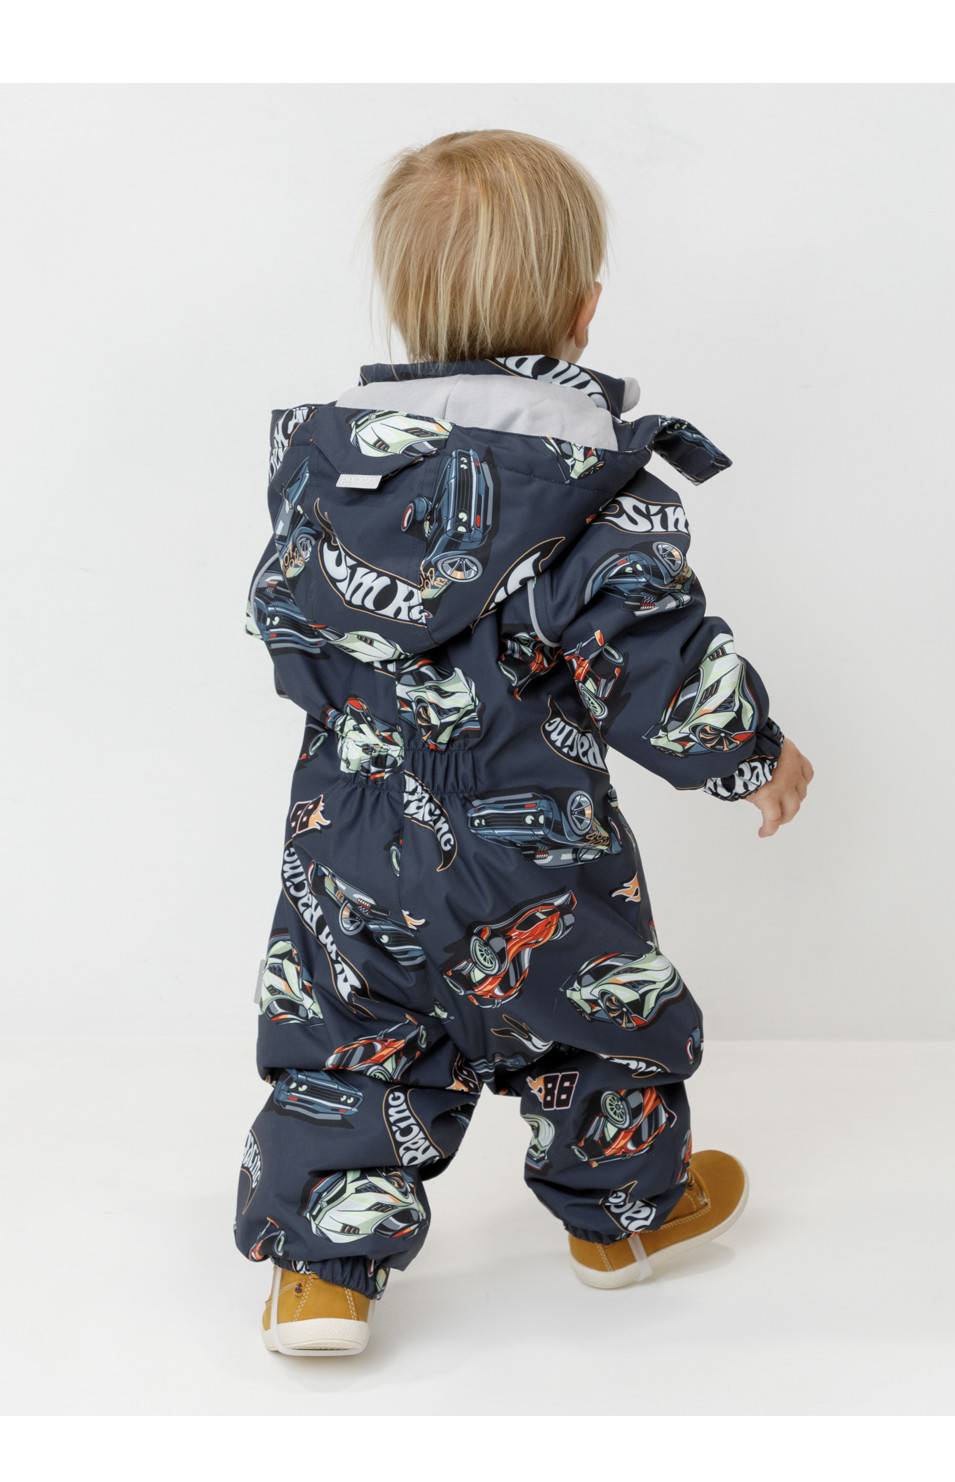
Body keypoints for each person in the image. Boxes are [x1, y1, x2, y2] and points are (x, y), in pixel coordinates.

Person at [235, 128, 814, 1356]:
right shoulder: (583, 485)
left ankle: (320, 1278)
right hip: (534, 846)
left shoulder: (330, 479)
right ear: (581, 311)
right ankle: (623, 1221)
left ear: (404, 300)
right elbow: (649, 650)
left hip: (351, 847)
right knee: (597, 1027)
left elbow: (291, 632)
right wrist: (751, 753)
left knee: (346, 1048)